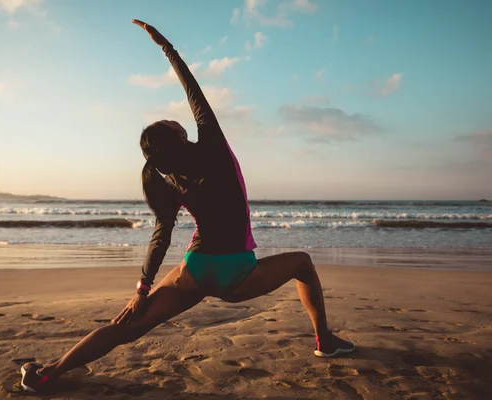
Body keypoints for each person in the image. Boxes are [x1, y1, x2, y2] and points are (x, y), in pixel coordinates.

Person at [19, 19, 355, 394]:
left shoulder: (171, 180)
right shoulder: (213, 147)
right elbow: (193, 91)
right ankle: (324, 341)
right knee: (303, 264)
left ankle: (48, 373)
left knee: (127, 327)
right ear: (181, 136)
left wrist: (142, 289)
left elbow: (161, 236)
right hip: (238, 274)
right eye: (174, 124)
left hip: (194, 271)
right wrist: (168, 49)